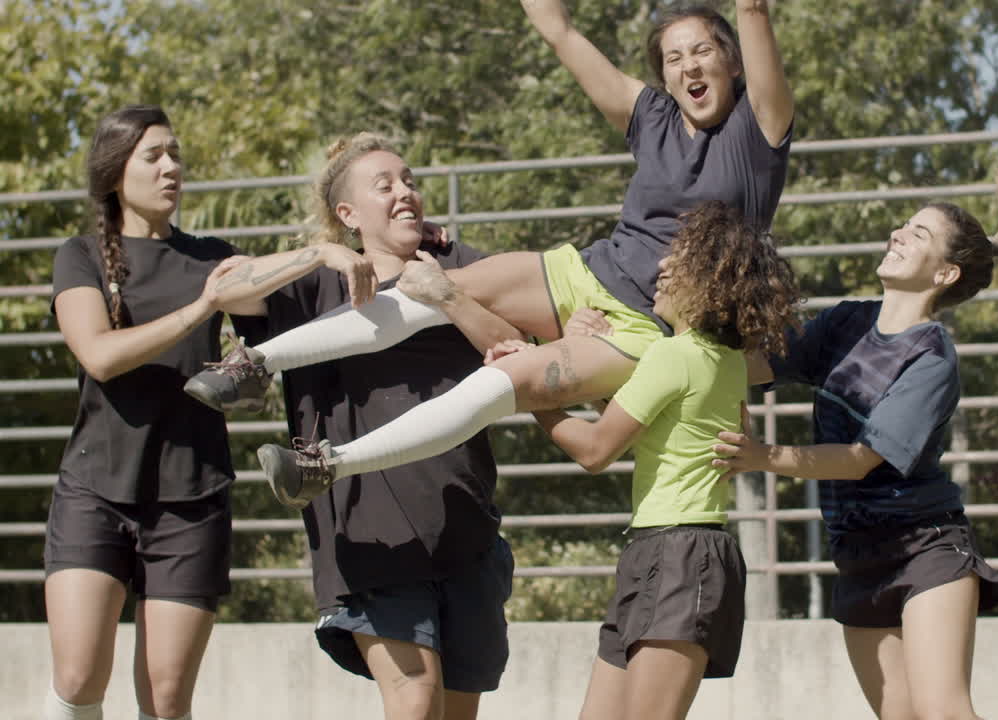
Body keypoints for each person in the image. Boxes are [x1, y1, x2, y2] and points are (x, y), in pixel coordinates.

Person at [184, 1, 795, 501]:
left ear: (734, 63)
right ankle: (253, 365)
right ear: (662, 75)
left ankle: (327, 465)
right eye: (673, 56)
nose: (689, 65)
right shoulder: (654, 116)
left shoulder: (758, 130)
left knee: (505, 375)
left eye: (704, 51)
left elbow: (753, 7)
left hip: (647, 325)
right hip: (585, 272)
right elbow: (557, 29)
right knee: (432, 287)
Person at [709, 175, 998, 720]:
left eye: (919, 232)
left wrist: (762, 455)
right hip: (857, 555)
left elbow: (862, 459)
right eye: (904, 225)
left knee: (943, 712)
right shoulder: (845, 323)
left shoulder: (932, 358)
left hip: (924, 549)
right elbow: (753, 365)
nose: (899, 234)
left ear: (944, 273)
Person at [43, 104, 375, 720]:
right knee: (78, 676)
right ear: (116, 171)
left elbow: (261, 284)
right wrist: (202, 309)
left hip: (191, 500)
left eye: (176, 154)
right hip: (94, 493)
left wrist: (323, 255)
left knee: (168, 702)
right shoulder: (79, 256)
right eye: (153, 156)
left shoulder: (211, 257)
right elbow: (99, 355)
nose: (172, 167)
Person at [211, 132, 524, 720]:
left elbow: (516, 350)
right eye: (385, 186)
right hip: (367, 523)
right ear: (347, 214)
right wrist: (321, 253)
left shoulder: (456, 265)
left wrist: (448, 295)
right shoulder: (315, 287)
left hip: (465, 524)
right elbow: (224, 287)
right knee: (414, 701)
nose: (405, 192)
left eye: (409, 180)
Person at [502, 201, 800, 720]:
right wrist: (570, 356)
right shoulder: (723, 360)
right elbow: (636, 423)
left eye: (678, 263)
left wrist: (529, 396)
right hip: (664, 550)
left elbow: (597, 450)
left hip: (680, 554)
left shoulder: (673, 354)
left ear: (709, 282)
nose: (659, 269)